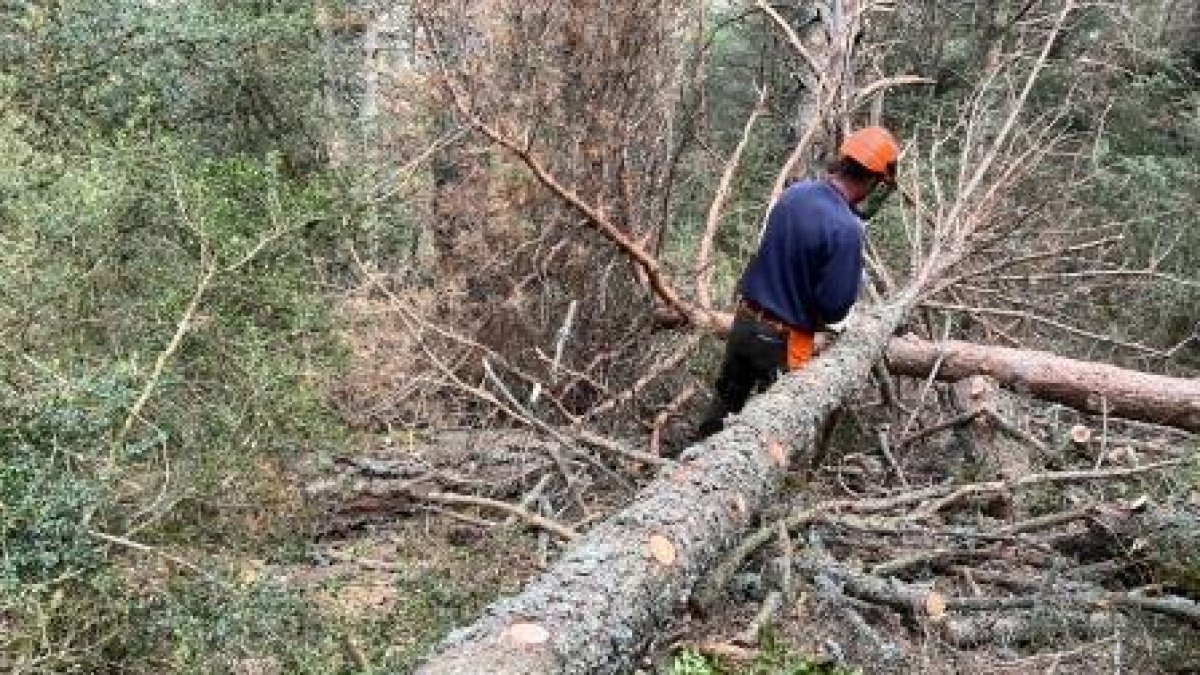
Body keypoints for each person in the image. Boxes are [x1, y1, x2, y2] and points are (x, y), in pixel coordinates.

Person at [696, 126, 899, 438]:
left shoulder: (794, 194)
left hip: (745, 322)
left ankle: (694, 467)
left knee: (723, 407)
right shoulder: (846, 229)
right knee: (775, 432)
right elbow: (833, 308)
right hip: (783, 341)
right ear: (873, 180)